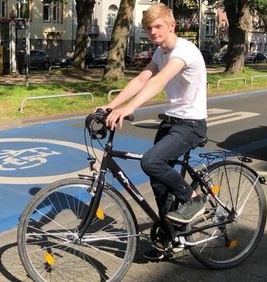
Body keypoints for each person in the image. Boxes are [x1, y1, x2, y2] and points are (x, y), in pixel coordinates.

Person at [101, 3, 208, 259]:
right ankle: (172, 235)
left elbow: (159, 81)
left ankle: (194, 199)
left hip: (191, 124)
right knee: (158, 178)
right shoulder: (161, 53)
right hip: (171, 122)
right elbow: (141, 79)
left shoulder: (184, 51)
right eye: (149, 28)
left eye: (158, 26)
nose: (153, 31)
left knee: (151, 161)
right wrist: (110, 105)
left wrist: (129, 109)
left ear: (172, 25)